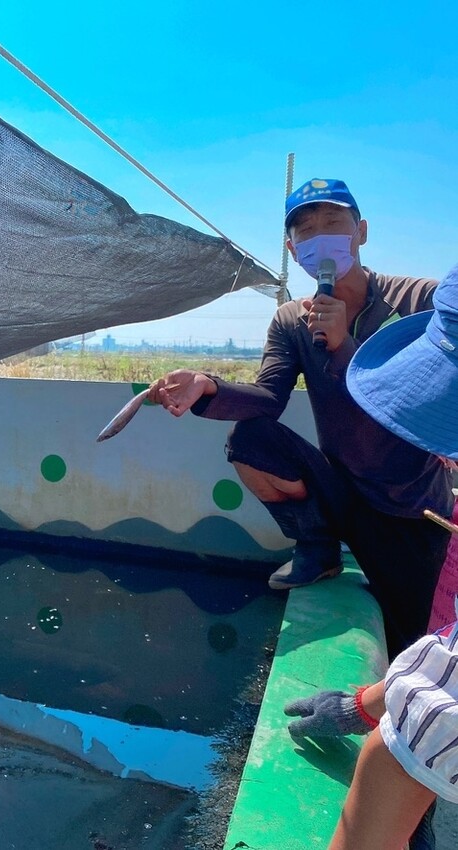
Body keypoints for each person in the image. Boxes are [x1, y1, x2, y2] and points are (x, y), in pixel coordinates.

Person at [148, 178, 453, 657]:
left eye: (333, 222)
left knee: (408, 637)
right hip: (342, 489)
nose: (320, 237)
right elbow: (268, 398)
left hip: (411, 502)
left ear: (361, 231)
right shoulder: (292, 320)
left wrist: (346, 347)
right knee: (250, 440)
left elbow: (422, 390)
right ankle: (316, 543)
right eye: (306, 230)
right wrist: (208, 385)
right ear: (292, 249)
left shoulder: (420, 300)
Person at [284, 261, 458, 850]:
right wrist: (365, 704)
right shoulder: (290, 323)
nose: (444, 456)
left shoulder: (406, 295)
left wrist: (387, 737)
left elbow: (435, 722)